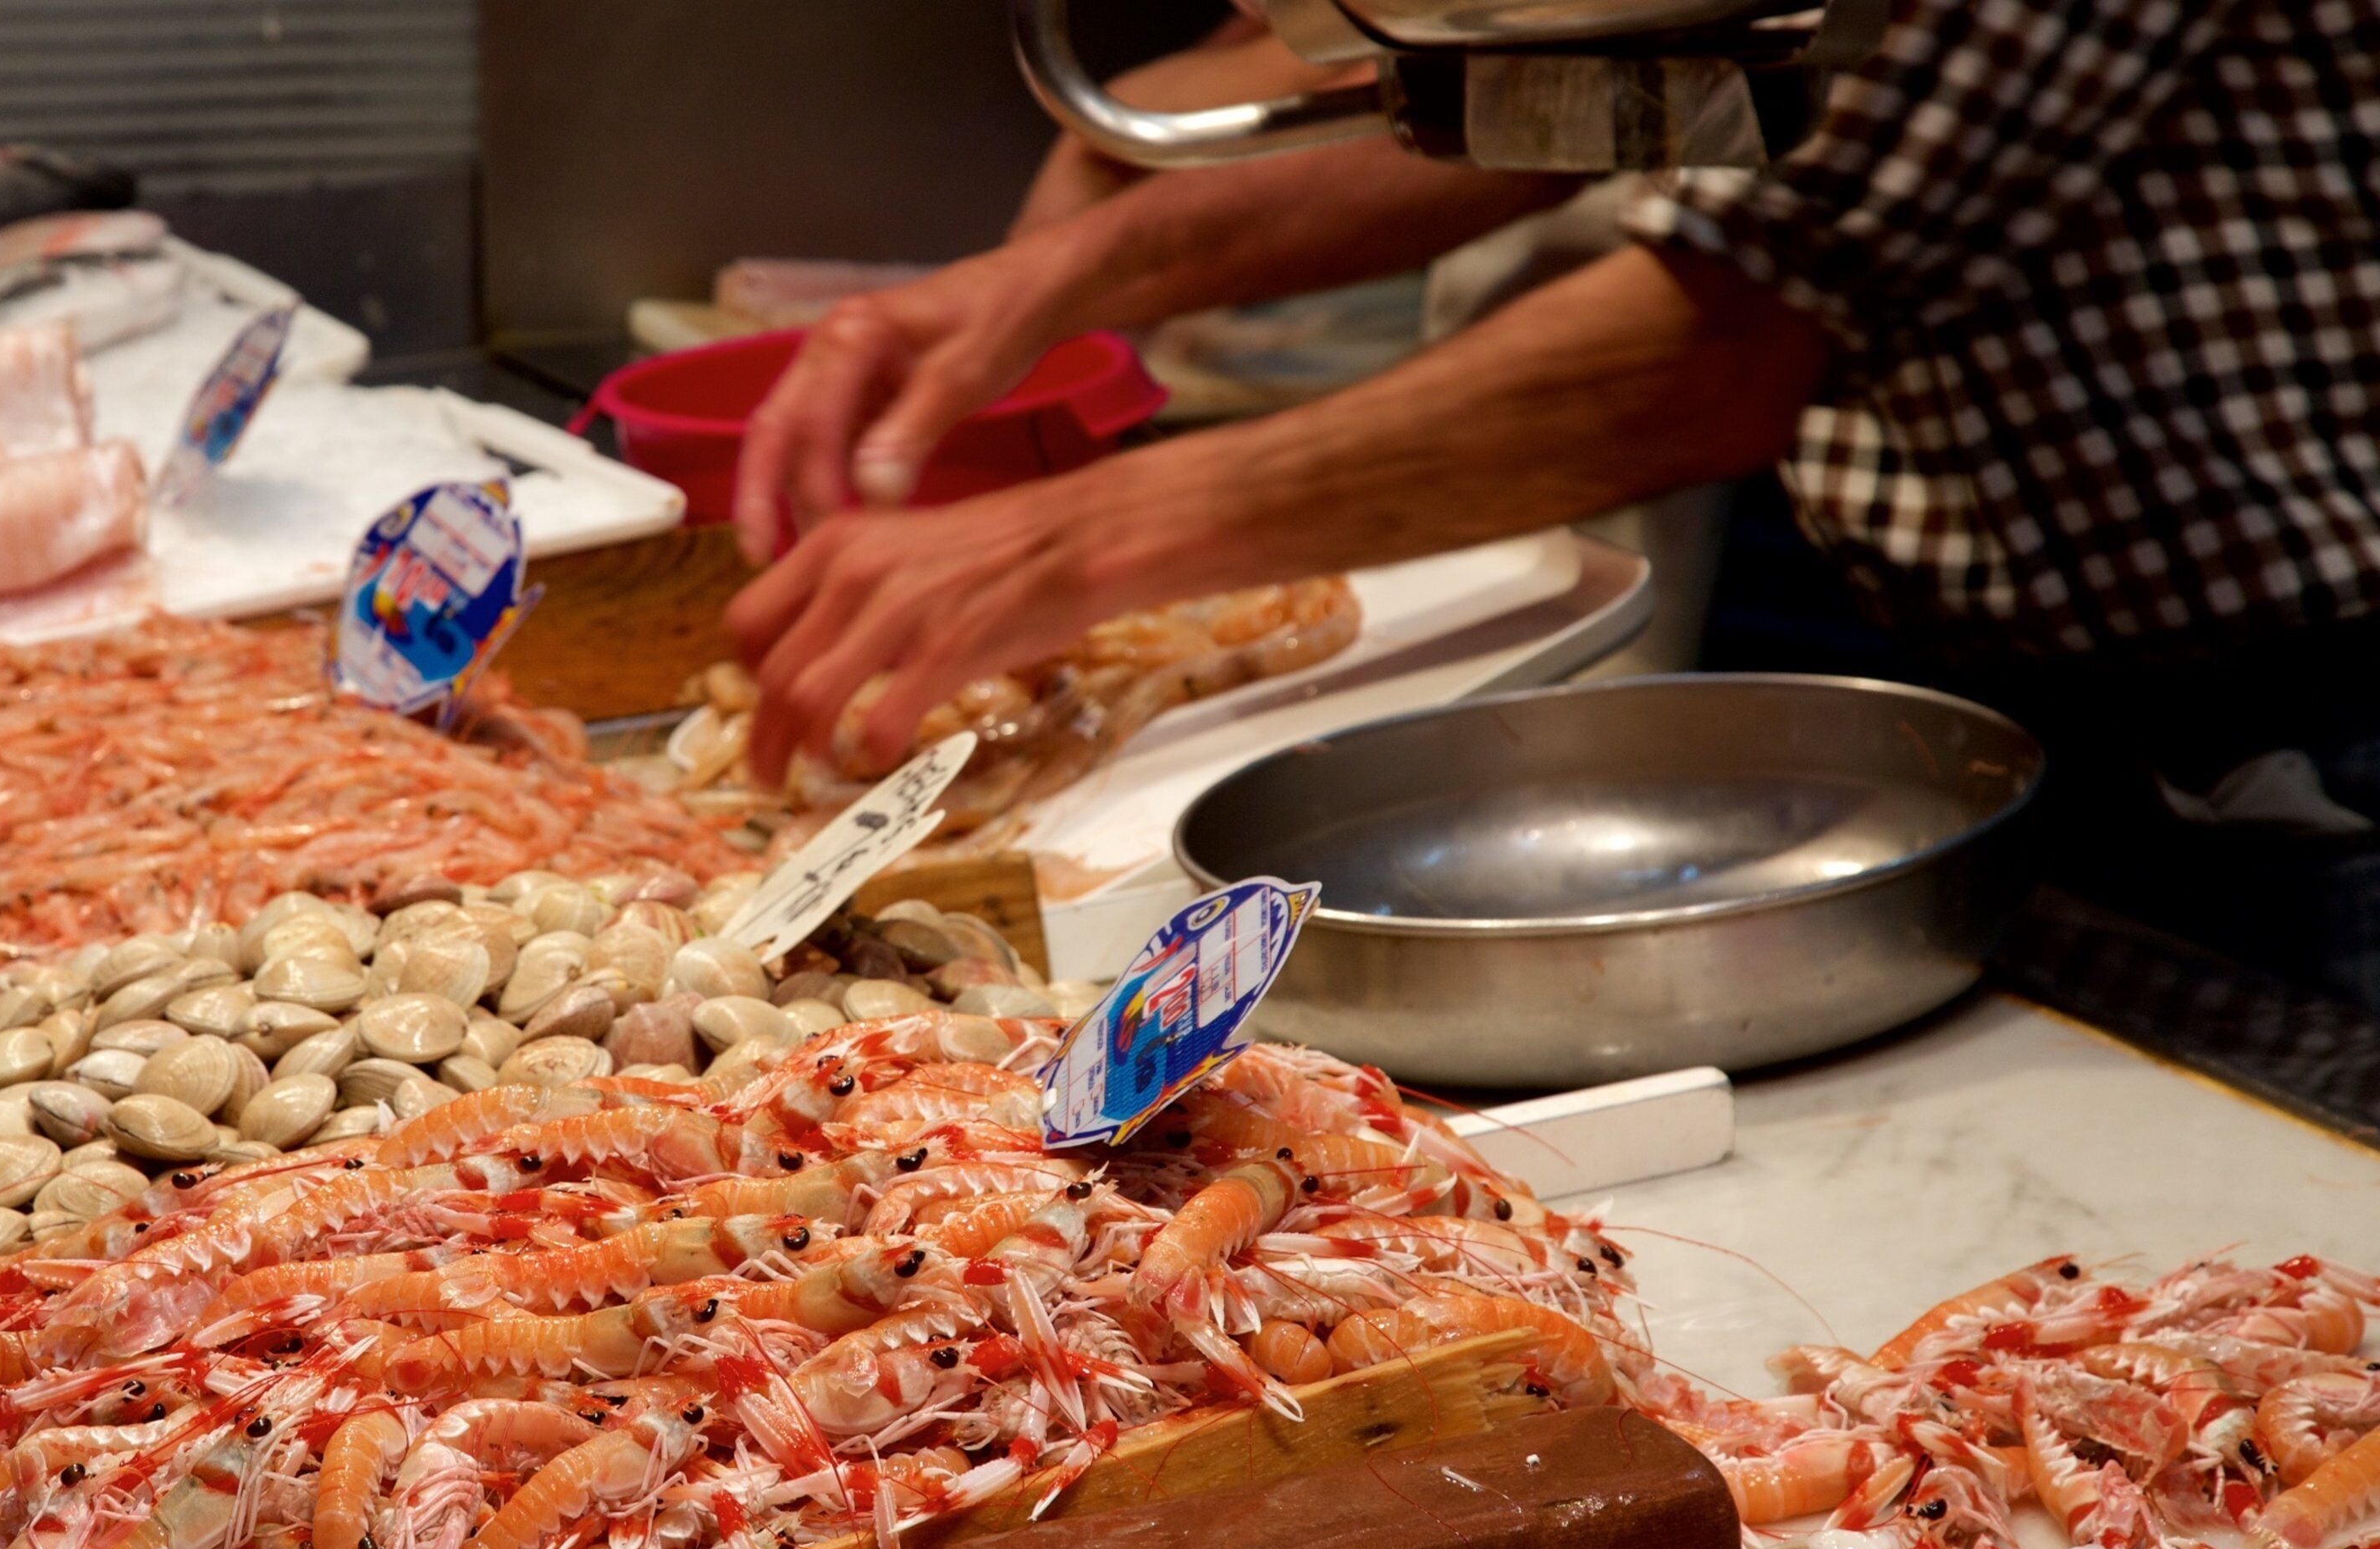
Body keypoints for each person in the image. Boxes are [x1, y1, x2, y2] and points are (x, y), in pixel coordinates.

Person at [721, 0, 2380, 1002]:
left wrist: (1084, 536)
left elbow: (1723, 330)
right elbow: (1587, 108)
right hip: (1985, 680)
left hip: (2288, 731)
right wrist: (1062, 275)